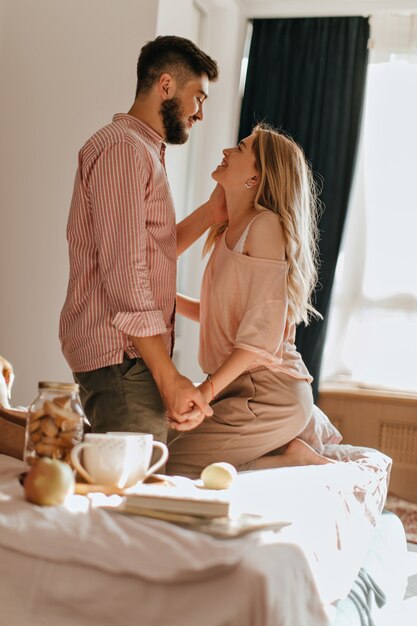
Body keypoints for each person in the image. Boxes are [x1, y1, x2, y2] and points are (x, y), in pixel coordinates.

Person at [59, 36, 221, 443]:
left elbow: (151, 252)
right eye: (198, 98)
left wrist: (210, 214)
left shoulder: (142, 151)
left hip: (130, 357)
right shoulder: (123, 150)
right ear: (166, 85)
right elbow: (126, 273)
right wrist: (168, 376)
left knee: (133, 484)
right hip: (122, 356)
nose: (200, 113)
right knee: (132, 494)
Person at [167, 123, 332, 477]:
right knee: (159, 445)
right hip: (242, 388)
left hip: (268, 394)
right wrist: (166, 297)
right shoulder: (230, 232)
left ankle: (289, 461)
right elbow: (219, 316)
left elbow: (259, 340)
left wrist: (205, 390)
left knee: (171, 464)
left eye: (241, 148)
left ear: (256, 178)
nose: (227, 151)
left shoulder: (265, 227)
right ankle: (283, 451)